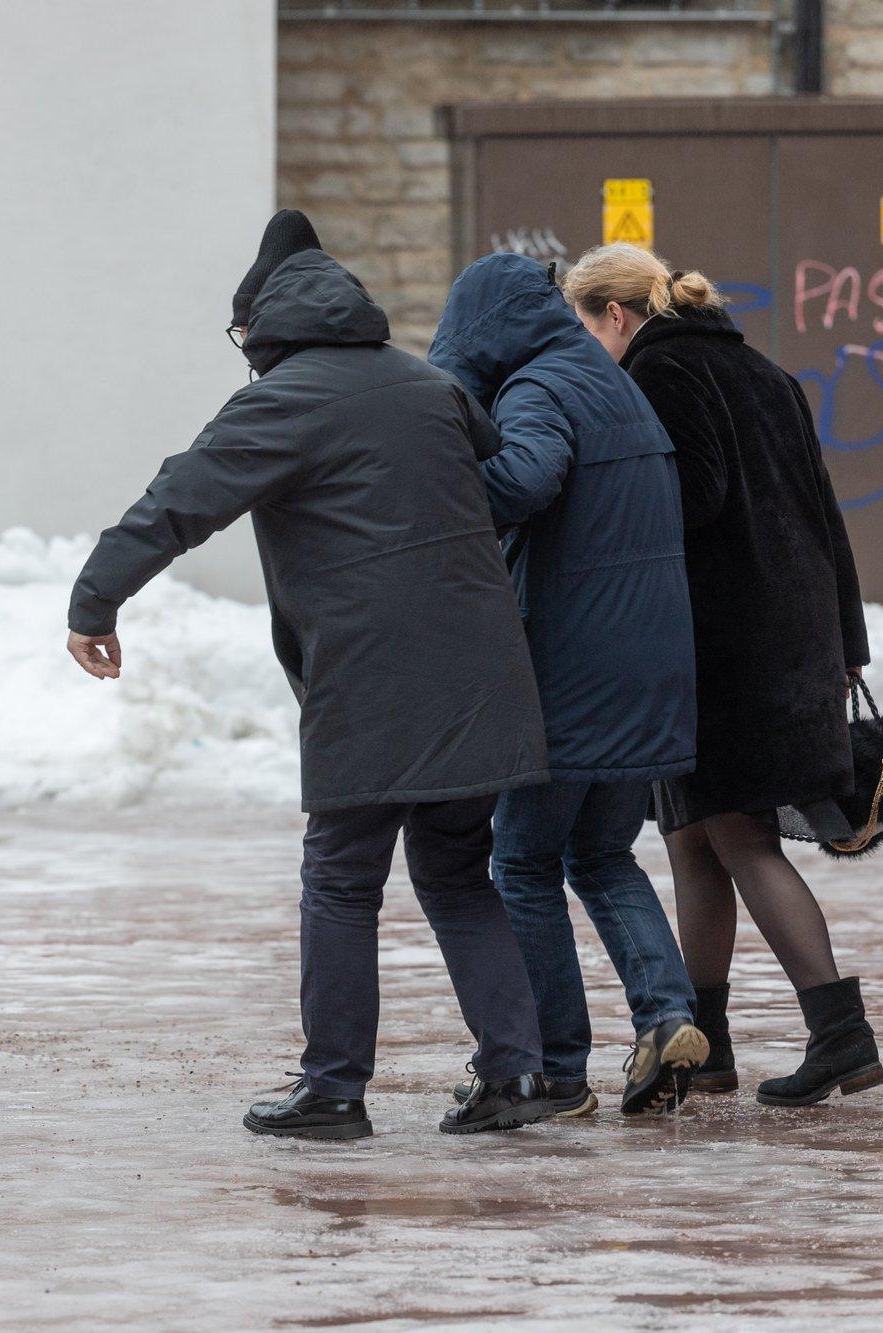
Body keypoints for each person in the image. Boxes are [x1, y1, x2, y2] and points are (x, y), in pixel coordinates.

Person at [66, 210, 554, 1139]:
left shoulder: (281, 401)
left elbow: (178, 501)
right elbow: (498, 475)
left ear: (265, 330)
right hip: (484, 671)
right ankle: (516, 1072)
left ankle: (334, 1086)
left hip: (375, 681)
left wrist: (93, 601)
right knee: (457, 874)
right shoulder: (430, 384)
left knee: (340, 877)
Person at [562, 242, 883, 1108]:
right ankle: (707, 1045)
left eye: (583, 327)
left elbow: (690, 502)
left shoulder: (662, 376)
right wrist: (847, 639)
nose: (583, 348)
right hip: (781, 639)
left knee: (740, 839)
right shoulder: (764, 372)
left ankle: (840, 1034)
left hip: (718, 650)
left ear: (616, 316)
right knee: (692, 840)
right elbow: (826, 514)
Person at [428, 252, 706, 1117]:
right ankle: (667, 1015)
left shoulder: (539, 389)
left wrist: (436, 487)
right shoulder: (611, 382)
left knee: (520, 861)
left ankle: (555, 1065)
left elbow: (522, 479)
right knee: (600, 851)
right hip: (649, 661)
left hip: (574, 667)